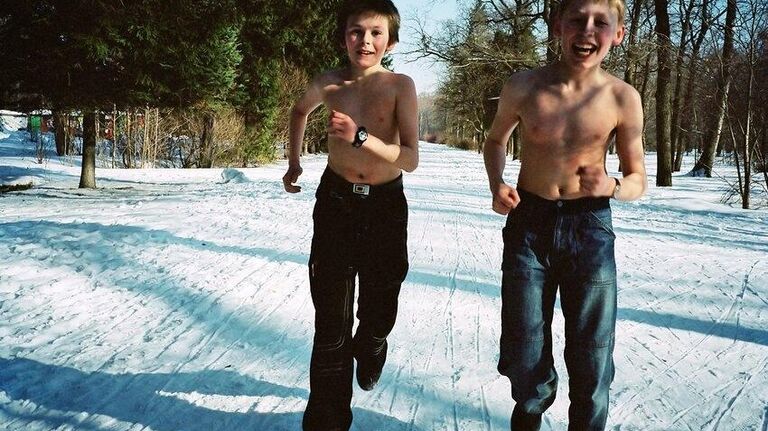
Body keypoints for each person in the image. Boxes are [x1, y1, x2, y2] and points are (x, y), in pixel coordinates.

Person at [482, 0, 647, 429]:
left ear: (619, 34)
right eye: (576, 20)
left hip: (589, 228)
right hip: (529, 226)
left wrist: (611, 186)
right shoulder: (523, 86)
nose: (587, 31)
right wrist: (497, 182)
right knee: (523, 349)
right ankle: (532, 406)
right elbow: (495, 140)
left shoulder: (621, 97)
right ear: (558, 25)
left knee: (593, 356)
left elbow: (637, 178)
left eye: (600, 23)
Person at [281, 0, 418, 430]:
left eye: (376, 33)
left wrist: (361, 137)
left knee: (381, 303)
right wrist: (294, 162)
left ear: (390, 41)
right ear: (344, 38)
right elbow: (299, 110)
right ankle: (327, 420)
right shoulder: (329, 83)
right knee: (331, 325)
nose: (366, 40)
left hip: (385, 207)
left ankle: (374, 342)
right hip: (337, 203)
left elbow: (410, 158)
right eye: (357, 31)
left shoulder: (400, 85)